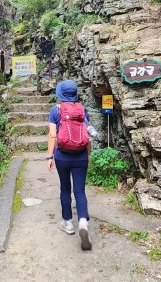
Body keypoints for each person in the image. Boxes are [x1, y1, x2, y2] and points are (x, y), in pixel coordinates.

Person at [47, 79, 96, 250]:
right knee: (80, 191)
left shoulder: (55, 110)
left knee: (65, 189)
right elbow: (87, 135)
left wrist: (49, 157)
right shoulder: (82, 110)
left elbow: (53, 135)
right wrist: (87, 155)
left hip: (62, 156)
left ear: (60, 94)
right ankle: (83, 222)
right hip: (80, 155)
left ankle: (67, 223)